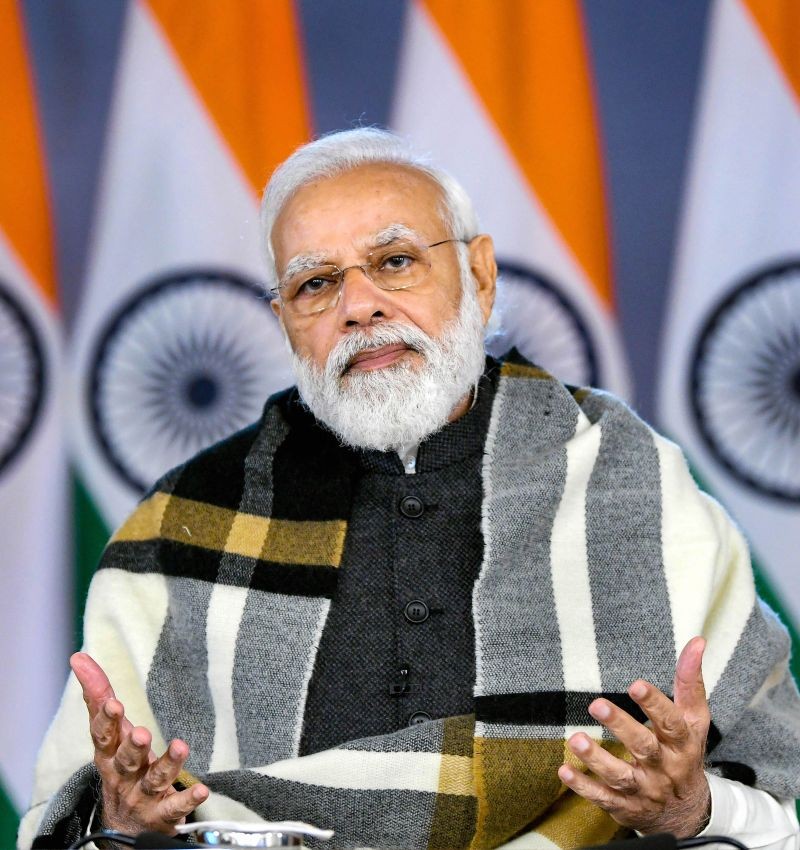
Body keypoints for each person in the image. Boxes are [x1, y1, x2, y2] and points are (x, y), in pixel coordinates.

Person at [22, 129, 800, 850]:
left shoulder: (632, 483)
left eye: (395, 262)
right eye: (316, 283)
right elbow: (77, 810)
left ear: (480, 275)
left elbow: (775, 811)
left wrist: (689, 809)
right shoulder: (190, 519)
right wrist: (119, 823)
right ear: (286, 323)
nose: (359, 306)